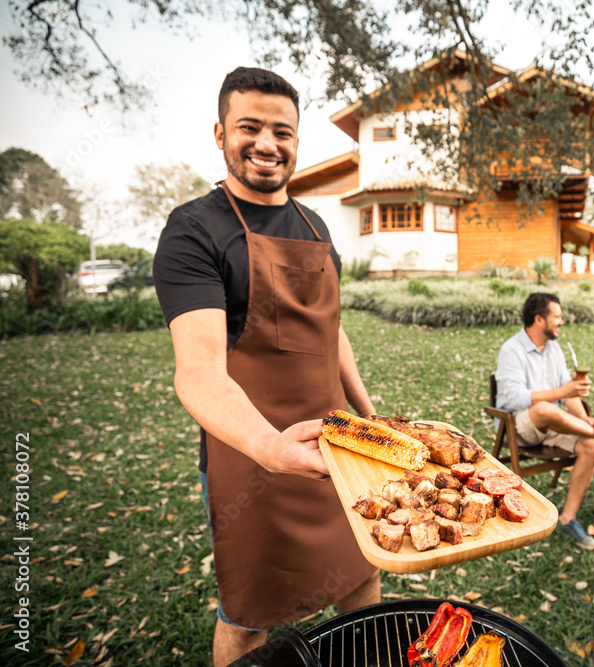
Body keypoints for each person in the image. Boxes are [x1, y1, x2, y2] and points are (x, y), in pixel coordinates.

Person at [153, 67, 380, 666]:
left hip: (338, 454)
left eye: (282, 131)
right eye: (249, 126)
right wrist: (272, 448)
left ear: (297, 142)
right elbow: (197, 370)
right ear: (221, 132)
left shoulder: (316, 226)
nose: (266, 143)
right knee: (250, 619)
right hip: (249, 461)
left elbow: (331, 333)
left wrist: (371, 415)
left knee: (362, 587)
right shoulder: (194, 230)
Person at [495, 292, 594, 550]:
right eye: (557, 316)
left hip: (556, 424)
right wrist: (564, 393)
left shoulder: (553, 348)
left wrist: (588, 420)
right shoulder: (512, 349)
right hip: (520, 425)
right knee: (544, 408)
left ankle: (568, 517)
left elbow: (569, 394)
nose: (561, 321)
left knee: (590, 445)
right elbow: (516, 397)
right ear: (539, 319)